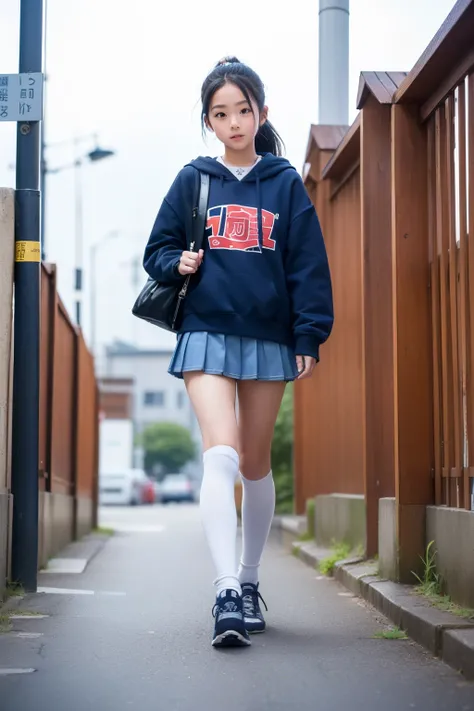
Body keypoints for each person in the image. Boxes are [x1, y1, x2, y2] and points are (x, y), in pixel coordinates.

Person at [143, 57, 333, 648]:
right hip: (205, 329)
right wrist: (180, 262)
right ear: (209, 120)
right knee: (220, 454)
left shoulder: (283, 183)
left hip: (270, 336)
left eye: (242, 111)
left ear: (261, 113)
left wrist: (309, 333)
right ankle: (226, 590)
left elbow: (307, 265)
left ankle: (250, 581)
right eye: (220, 114)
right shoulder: (193, 179)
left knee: (253, 464)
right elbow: (157, 252)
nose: (233, 122)